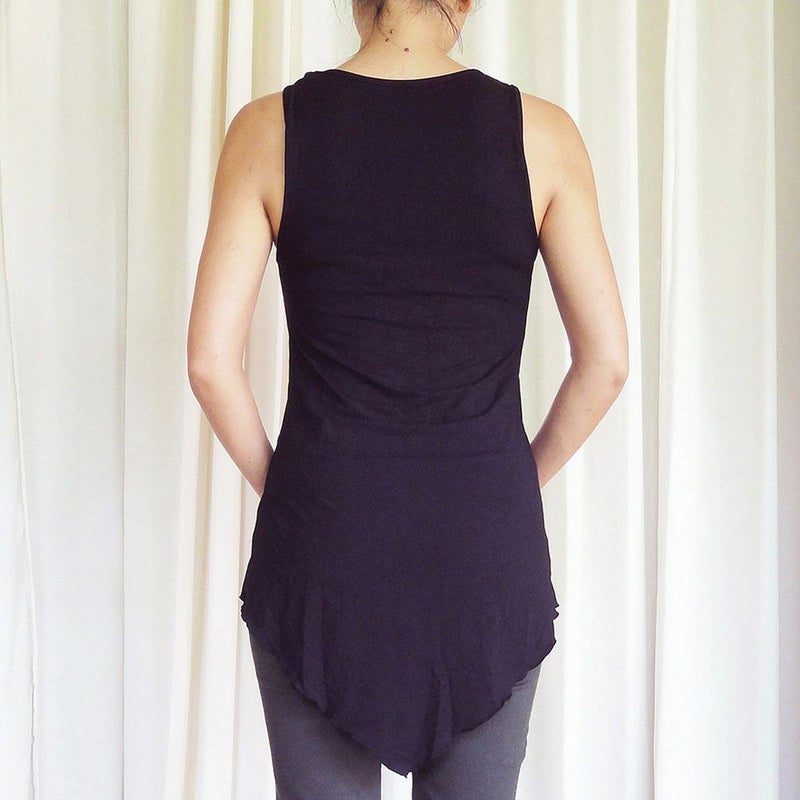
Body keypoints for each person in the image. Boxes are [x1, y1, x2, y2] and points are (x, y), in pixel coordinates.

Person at [187, 0, 628, 796]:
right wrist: (512, 481)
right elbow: (607, 361)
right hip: (483, 550)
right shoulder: (544, 135)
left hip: (325, 547)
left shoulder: (267, 129)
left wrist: (293, 490)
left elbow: (212, 363)